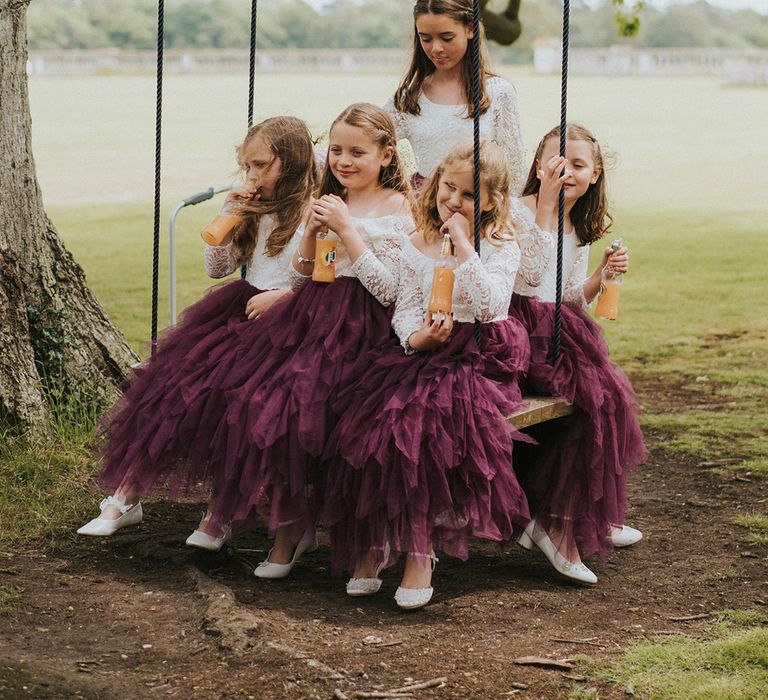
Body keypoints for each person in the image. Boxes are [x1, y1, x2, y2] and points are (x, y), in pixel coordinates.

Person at [77, 116, 318, 547]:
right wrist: (229, 216)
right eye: (248, 167)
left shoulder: (313, 210)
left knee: (239, 399)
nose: (253, 176)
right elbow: (217, 270)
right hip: (242, 308)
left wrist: (282, 298)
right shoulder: (255, 207)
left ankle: (220, 512)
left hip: (291, 321)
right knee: (174, 382)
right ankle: (126, 495)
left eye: (262, 165)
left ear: (293, 161)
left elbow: (323, 283)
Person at [204, 103, 415, 577]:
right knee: (265, 397)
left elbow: (390, 289)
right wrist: (311, 238)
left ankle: (321, 534)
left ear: (385, 156)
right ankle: (289, 524)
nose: (344, 161)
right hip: (314, 318)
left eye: (357, 152)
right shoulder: (327, 197)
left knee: (308, 405)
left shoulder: (398, 207)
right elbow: (306, 276)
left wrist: (346, 232)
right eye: (337, 150)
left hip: (366, 328)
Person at [321, 141, 531, 610]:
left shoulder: (501, 245)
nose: (453, 202)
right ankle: (374, 540)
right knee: (369, 421)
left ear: (493, 201)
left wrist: (463, 251)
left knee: (424, 426)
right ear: (436, 184)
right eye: (448, 189)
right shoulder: (416, 241)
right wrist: (415, 339)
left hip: (477, 353)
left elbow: (490, 305)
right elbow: (406, 305)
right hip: (425, 349)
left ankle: (420, 551)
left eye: (469, 196)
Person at [510, 123, 647, 585]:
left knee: (609, 400)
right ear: (538, 165)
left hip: (558, 326)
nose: (567, 171)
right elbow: (527, 282)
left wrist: (602, 274)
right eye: (556, 162)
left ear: (595, 172)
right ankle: (555, 525)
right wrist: (546, 206)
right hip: (517, 330)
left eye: (579, 165)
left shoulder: (577, 224)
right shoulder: (520, 210)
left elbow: (569, 294)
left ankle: (583, 513)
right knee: (592, 397)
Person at [384, 0, 525, 192]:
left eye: (447, 37)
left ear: (469, 29)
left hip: (479, 211)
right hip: (423, 212)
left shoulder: (499, 92)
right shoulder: (409, 97)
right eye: (425, 39)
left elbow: (515, 173)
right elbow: (367, 140)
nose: (436, 49)